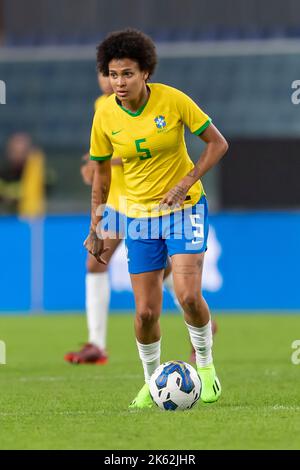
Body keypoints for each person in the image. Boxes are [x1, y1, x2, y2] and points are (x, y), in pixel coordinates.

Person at [84, 29, 228, 408]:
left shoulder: (173, 100)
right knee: (146, 312)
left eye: (127, 73)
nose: (119, 82)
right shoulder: (105, 116)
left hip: (185, 208)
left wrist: (186, 182)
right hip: (139, 217)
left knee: (188, 295)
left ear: (145, 72)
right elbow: (100, 171)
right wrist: (96, 224)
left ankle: (208, 371)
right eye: (113, 74)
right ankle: (152, 384)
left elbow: (218, 143)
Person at [64, 72, 188, 365]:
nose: (110, 80)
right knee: (95, 262)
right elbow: (105, 150)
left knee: (161, 271)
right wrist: (95, 165)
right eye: (105, 73)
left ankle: (196, 317)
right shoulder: (102, 106)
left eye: (118, 74)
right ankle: (96, 344)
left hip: (142, 199)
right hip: (117, 202)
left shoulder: (147, 103)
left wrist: (96, 163)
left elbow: (137, 148)